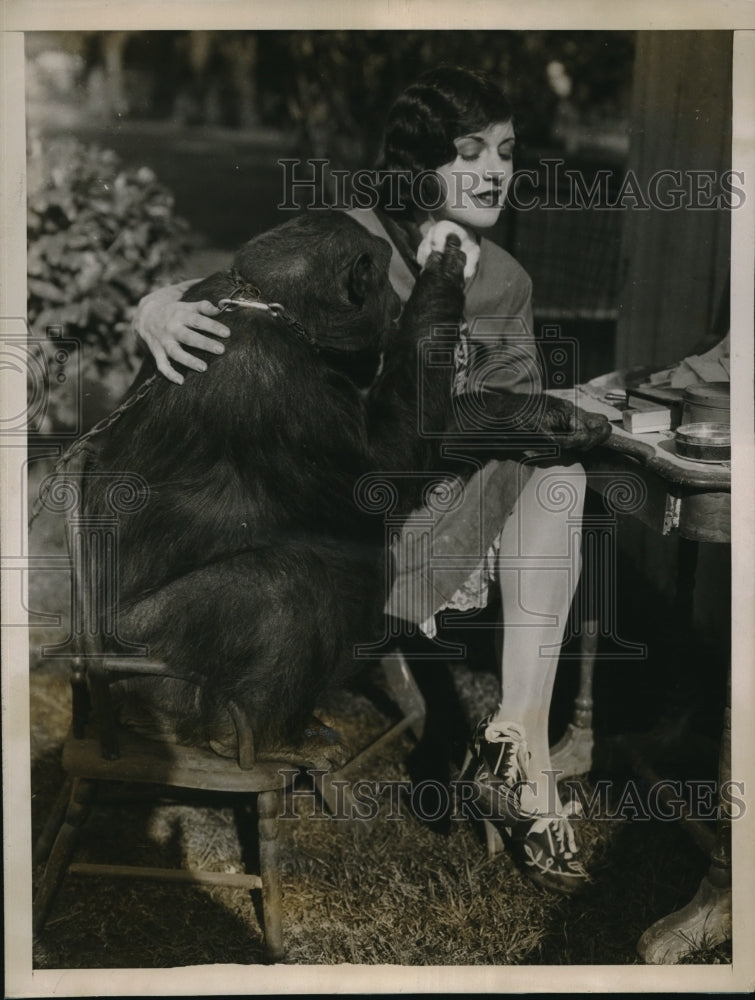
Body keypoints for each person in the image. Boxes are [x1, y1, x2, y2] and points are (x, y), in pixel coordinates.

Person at [133, 66, 607, 894]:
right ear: (418, 163)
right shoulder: (343, 241)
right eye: (467, 155)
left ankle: (517, 744)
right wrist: (155, 304)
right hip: (327, 517)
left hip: (437, 496)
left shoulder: (504, 280)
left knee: (553, 467)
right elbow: (231, 292)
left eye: (503, 151)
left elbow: (501, 409)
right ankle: (519, 765)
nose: (494, 170)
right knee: (546, 462)